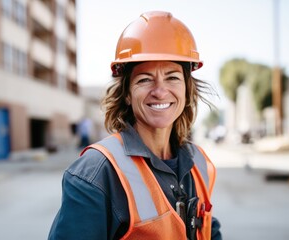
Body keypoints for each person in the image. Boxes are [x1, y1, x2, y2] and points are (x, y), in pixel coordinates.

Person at [48, 11, 222, 240]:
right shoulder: (96, 173)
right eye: (145, 79)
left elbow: (209, 231)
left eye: (172, 77)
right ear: (127, 94)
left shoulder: (198, 163)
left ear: (187, 89)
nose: (160, 91)